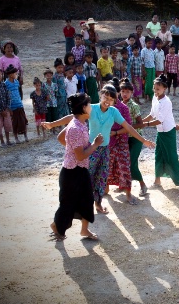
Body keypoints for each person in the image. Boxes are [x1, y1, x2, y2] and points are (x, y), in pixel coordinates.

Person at [42, 84, 155, 214]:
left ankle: (98, 204)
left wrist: (143, 140)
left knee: (102, 177)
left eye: (111, 99)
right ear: (100, 95)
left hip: (105, 149)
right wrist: (52, 124)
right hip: (90, 148)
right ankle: (81, 205)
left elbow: (128, 127)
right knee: (87, 177)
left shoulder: (114, 112)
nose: (107, 101)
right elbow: (72, 117)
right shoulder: (92, 109)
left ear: (114, 101)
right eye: (105, 97)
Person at [49, 93, 103, 242]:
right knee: (68, 204)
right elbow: (81, 156)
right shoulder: (75, 128)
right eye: (89, 104)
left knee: (87, 199)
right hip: (72, 173)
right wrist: (96, 144)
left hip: (80, 170)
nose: (91, 107)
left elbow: (61, 138)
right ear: (84, 108)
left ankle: (84, 230)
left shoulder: (79, 123)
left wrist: (72, 149)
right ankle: (56, 226)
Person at [142, 74, 179, 193]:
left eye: (158, 89)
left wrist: (144, 125)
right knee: (159, 155)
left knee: (171, 156)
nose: (155, 91)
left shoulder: (166, 102)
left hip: (168, 131)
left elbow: (159, 120)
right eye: (154, 88)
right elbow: (152, 114)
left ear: (164, 89)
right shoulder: (155, 98)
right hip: (160, 131)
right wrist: (141, 121)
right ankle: (157, 181)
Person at [106, 78, 137, 205]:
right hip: (107, 142)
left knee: (124, 167)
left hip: (121, 142)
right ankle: (105, 189)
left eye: (109, 96)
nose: (107, 98)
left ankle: (128, 193)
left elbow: (128, 127)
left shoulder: (123, 108)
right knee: (107, 166)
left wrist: (116, 133)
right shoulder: (104, 107)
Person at [119, 78, 148, 196]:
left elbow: (141, 124)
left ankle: (142, 185)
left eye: (127, 92)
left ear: (132, 93)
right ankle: (124, 185)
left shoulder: (134, 106)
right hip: (124, 138)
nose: (125, 94)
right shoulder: (118, 105)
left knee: (131, 162)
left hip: (136, 138)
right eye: (123, 92)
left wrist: (128, 127)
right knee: (125, 162)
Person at [5, 65, 28, 143]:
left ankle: (25, 135)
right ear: (10, 74)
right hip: (12, 106)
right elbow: (6, 96)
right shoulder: (6, 84)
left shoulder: (17, 82)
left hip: (19, 104)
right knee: (14, 122)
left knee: (23, 120)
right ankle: (16, 137)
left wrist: (20, 101)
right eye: (15, 73)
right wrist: (9, 108)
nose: (16, 75)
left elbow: (18, 92)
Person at [42, 68, 59, 133]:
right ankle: (50, 128)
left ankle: (54, 128)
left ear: (52, 76)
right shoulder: (43, 85)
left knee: (54, 115)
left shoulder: (54, 84)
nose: (49, 76)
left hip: (54, 102)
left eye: (50, 75)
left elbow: (56, 92)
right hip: (47, 102)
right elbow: (42, 92)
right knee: (48, 115)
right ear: (45, 76)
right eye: (47, 75)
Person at [141, 37, 156, 102]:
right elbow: (142, 61)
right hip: (147, 68)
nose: (150, 44)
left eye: (151, 43)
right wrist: (143, 70)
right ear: (145, 43)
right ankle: (146, 95)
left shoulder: (152, 51)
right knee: (147, 82)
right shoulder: (143, 50)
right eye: (148, 43)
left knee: (152, 81)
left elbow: (153, 60)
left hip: (152, 67)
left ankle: (151, 95)